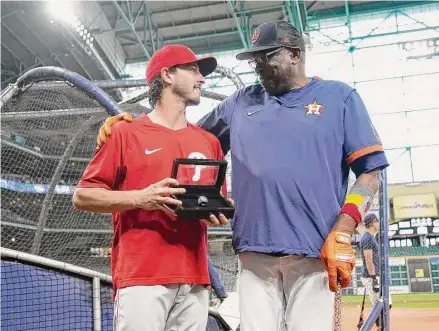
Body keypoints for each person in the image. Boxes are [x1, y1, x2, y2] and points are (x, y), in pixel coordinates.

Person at [95, 20, 389, 331]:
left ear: (294, 54)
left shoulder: (340, 97)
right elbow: (184, 140)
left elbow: (370, 173)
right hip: (253, 256)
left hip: (315, 252)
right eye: (254, 59)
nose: (258, 66)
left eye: (267, 56)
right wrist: (133, 124)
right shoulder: (241, 102)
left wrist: (344, 228)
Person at [73, 44, 231, 331]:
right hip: (142, 277)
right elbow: (82, 195)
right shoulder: (124, 132)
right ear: (168, 74)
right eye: (193, 69)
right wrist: (141, 198)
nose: (202, 78)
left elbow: (216, 200)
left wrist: (215, 213)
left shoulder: (210, 143)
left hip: (195, 280)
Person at [359, 214, 391, 329]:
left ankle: (380, 327)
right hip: (371, 276)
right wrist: (374, 279)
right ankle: (375, 327)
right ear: (372, 223)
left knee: (385, 304)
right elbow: (368, 260)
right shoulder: (367, 238)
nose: (378, 224)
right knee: (379, 306)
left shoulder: (371, 237)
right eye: (377, 221)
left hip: (374, 275)